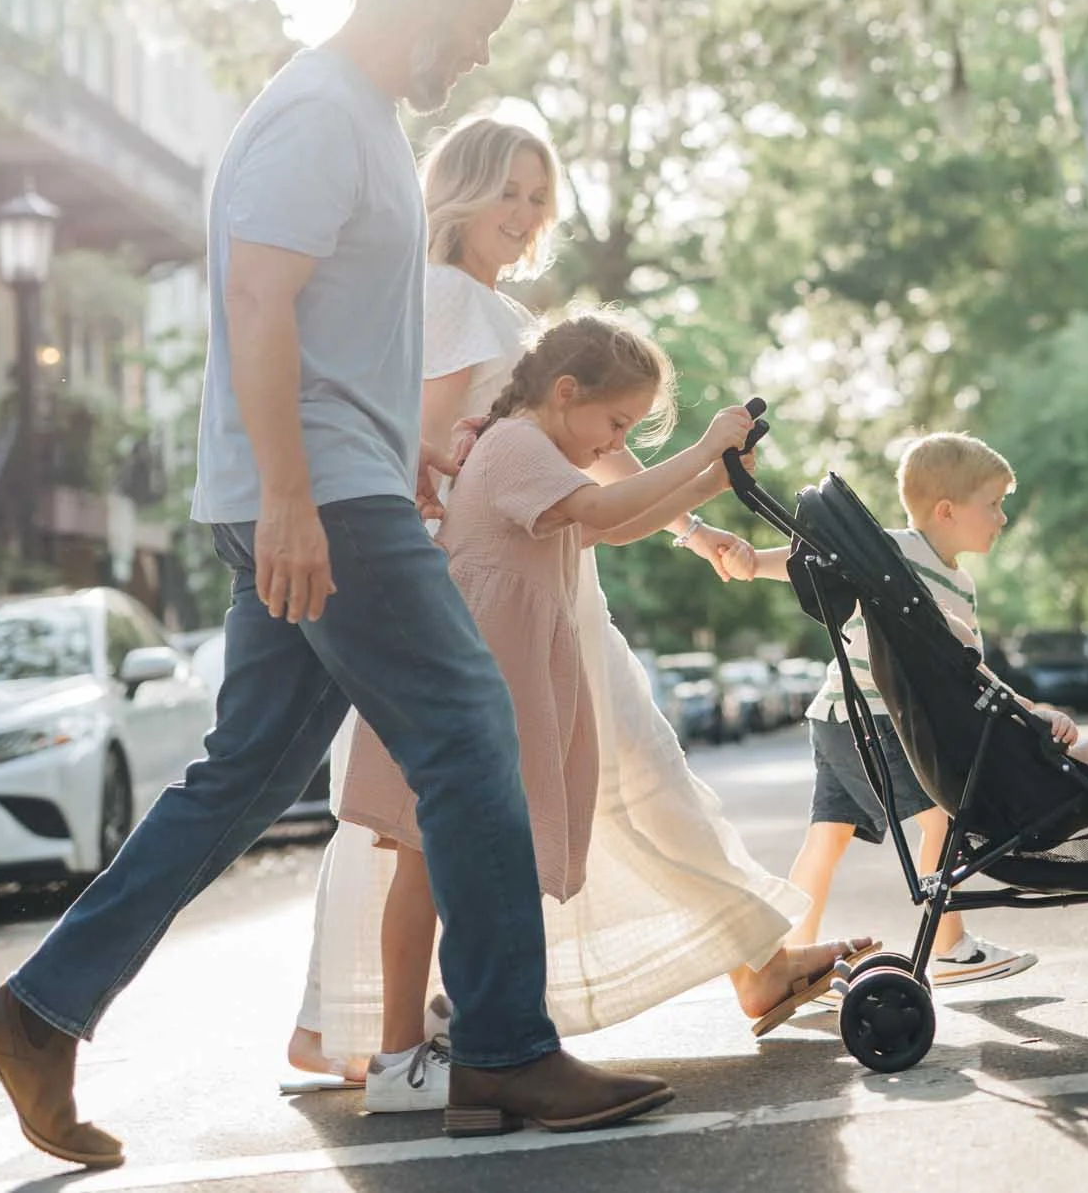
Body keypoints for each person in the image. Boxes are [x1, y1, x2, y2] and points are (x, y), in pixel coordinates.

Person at [0, 0, 673, 1170]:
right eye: (484, 21)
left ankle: (35, 1014)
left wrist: (407, 446)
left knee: (238, 779)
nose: (484, 51)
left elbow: (332, 333)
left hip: (341, 482)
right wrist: (295, 493)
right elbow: (260, 306)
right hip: (318, 501)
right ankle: (504, 1047)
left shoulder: (365, 125)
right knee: (470, 729)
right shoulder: (316, 112)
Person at [288, 114, 814, 1105]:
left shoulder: (508, 335)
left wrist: (701, 506)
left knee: (498, 820)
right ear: (457, 192)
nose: (526, 216)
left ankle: (409, 1035)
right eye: (509, 192)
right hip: (488, 604)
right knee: (492, 818)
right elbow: (440, 443)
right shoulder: (455, 305)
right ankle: (408, 1039)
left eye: (540, 198)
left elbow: (604, 478)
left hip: (535, 583)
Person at [338, 303, 866, 1111]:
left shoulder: (533, 449)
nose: (615, 447)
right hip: (463, 677)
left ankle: (439, 1034)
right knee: (421, 863)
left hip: (489, 679)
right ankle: (399, 1055)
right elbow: (607, 509)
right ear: (563, 390)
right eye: (616, 424)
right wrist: (698, 451)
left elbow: (613, 529)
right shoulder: (516, 444)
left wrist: (712, 477)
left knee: (453, 868)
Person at [743, 429, 1088, 983]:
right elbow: (820, 560)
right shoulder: (898, 553)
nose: (1003, 518)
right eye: (994, 504)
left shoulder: (961, 583)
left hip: (844, 716)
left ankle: (788, 957)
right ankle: (947, 947)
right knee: (941, 821)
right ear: (947, 510)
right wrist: (748, 558)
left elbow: (969, 668)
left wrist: (1025, 707)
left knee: (826, 838)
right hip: (881, 719)